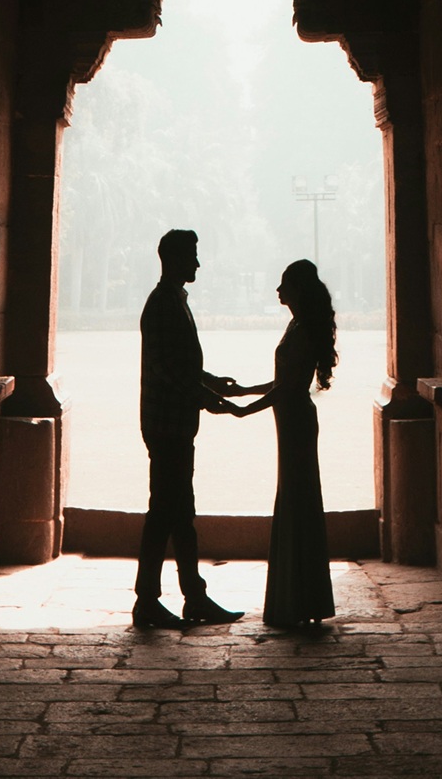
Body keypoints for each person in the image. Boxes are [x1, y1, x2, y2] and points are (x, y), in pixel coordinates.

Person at [135, 229, 248, 629]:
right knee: (167, 513)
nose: (197, 263)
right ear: (174, 259)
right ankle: (152, 600)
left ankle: (188, 596)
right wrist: (206, 395)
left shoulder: (170, 301)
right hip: (169, 424)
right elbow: (167, 368)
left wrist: (211, 384)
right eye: (192, 256)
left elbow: (175, 366)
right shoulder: (165, 304)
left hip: (172, 422)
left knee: (178, 513)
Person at [231, 259, 338, 628]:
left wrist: (245, 409)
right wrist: (245, 391)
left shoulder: (302, 329)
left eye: (284, 285)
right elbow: (284, 382)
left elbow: (287, 388)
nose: (278, 291)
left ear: (297, 290)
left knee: (297, 501)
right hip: (292, 419)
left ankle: (297, 601)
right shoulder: (298, 325)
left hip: (295, 422)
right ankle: (302, 600)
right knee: (297, 501)